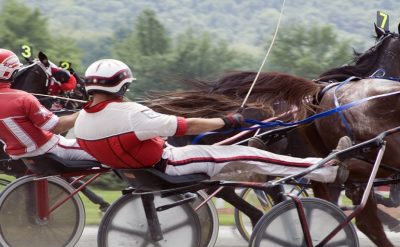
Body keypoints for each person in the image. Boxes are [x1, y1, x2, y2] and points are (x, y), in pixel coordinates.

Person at [74, 58, 351, 183]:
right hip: (170, 164)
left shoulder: (83, 119)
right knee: (249, 153)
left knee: (242, 158)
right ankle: (323, 170)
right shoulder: (132, 114)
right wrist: (228, 122)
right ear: (123, 87)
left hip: (141, 169)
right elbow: (189, 125)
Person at [0, 49, 93, 161]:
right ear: (13, 72)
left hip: (17, 153)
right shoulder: (23, 99)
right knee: (106, 152)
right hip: (48, 148)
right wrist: (88, 109)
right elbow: (57, 127)